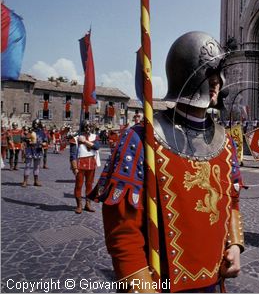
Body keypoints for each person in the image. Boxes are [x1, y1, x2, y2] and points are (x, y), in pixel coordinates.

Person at [90, 31, 245, 292]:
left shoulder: (226, 143)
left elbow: (232, 200)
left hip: (214, 282)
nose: (217, 81)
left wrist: (235, 245)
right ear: (189, 76)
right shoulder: (141, 140)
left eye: (219, 73)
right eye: (210, 73)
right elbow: (122, 233)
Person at [69, 120, 101, 214]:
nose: (88, 129)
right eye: (86, 127)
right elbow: (73, 154)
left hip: (91, 163)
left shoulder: (94, 137)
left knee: (89, 185)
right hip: (80, 163)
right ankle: (79, 205)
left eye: (89, 127)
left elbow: (96, 147)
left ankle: (88, 204)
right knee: (78, 185)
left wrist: (84, 141)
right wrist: (74, 167)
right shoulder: (75, 138)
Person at [22, 119, 48, 187]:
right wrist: (28, 140)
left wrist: (44, 143)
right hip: (30, 149)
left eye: (37, 124)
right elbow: (24, 138)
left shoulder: (42, 132)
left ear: (39, 124)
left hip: (38, 150)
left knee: (36, 166)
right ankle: (25, 181)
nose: (36, 125)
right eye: (35, 124)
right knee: (27, 165)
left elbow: (45, 140)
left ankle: (36, 181)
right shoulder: (30, 131)